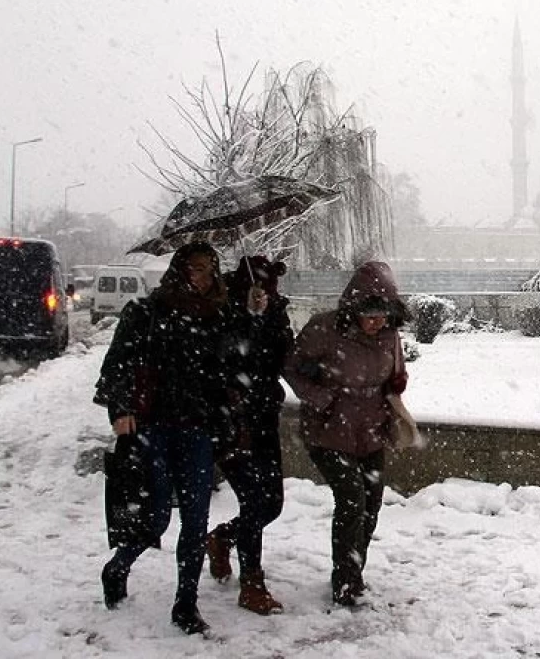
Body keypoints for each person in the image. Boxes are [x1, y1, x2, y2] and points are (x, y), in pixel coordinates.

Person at [94, 242, 237, 635]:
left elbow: (230, 367)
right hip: (153, 426)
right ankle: (118, 567)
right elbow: (117, 364)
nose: (202, 277)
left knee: (196, 520)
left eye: (210, 270)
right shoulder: (147, 311)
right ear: (179, 270)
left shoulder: (220, 315)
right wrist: (121, 411)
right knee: (154, 517)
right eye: (194, 268)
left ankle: (185, 604)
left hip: (199, 429)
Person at [284, 260, 411, 606]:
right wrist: (322, 397)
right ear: (353, 309)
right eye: (369, 315)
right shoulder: (323, 329)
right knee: (352, 498)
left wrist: (395, 395)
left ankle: (354, 570)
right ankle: (344, 580)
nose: (376, 323)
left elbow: (396, 376)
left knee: (371, 503)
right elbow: (292, 367)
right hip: (328, 430)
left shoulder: (389, 335)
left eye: (382, 315)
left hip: (371, 431)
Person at [205, 256, 294, 616]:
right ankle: (252, 584)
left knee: (272, 503)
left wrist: (268, 319)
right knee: (256, 501)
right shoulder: (220, 315)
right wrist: (243, 320)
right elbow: (215, 362)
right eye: (257, 286)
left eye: (270, 288)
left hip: (264, 420)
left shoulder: (274, 315)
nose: (264, 293)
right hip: (230, 424)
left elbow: (282, 357)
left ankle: (222, 537)